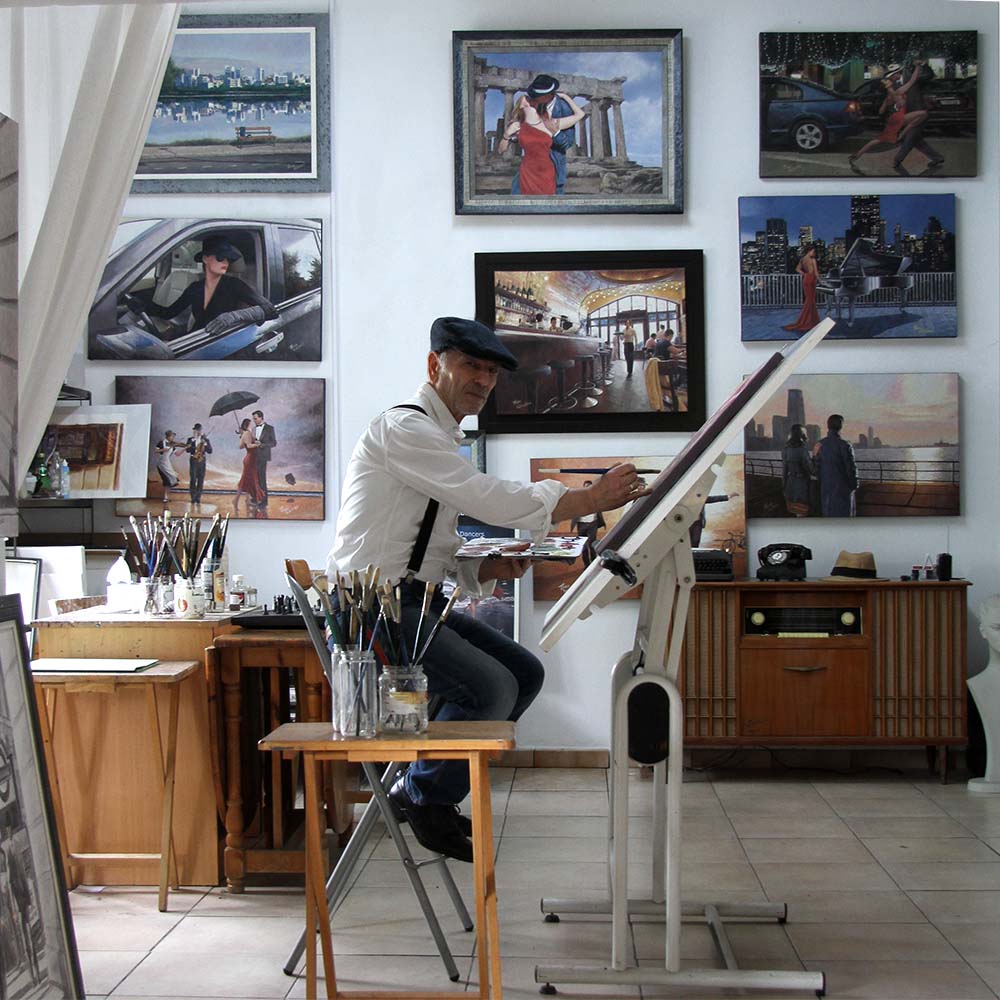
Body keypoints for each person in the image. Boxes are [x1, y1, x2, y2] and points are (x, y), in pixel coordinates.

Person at [328, 316, 646, 862]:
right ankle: (424, 795)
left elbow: (431, 546)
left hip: (412, 600)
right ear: (435, 367)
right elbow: (489, 499)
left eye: (491, 372)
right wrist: (587, 498)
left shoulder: (436, 440)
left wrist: (489, 567)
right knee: (492, 689)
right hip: (371, 607)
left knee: (525, 673)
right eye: (470, 365)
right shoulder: (404, 429)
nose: (481, 380)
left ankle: (418, 787)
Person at [133, 237, 279, 337]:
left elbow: (271, 310)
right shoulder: (195, 287)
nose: (226, 262)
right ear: (205, 258)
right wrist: (141, 305)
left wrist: (232, 316)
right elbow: (168, 313)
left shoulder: (235, 285)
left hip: (222, 342)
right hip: (196, 339)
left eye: (229, 258)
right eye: (220, 257)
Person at [503, 74, 581, 195]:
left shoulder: (563, 108)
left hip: (552, 166)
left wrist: (555, 132)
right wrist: (509, 135)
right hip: (528, 169)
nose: (533, 99)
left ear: (548, 95)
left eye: (537, 96)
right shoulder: (533, 107)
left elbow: (568, 143)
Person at [848, 64, 928, 170]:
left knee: (879, 139)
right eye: (897, 73)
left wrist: (918, 67)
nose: (899, 75)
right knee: (922, 114)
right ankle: (902, 134)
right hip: (898, 117)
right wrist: (917, 67)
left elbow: (882, 110)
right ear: (893, 76)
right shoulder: (896, 92)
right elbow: (910, 83)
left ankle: (857, 154)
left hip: (895, 118)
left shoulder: (895, 91)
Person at [889, 58, 945, 174]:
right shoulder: (896, 84)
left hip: (919, 112)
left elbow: (928, 75)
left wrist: (921, 65)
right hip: (909, 113)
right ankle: (937, 157)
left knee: (910, 136)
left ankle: (897, 160)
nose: (890, 78)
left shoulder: (912, 78)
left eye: (891, 75)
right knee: (916, 140)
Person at [813, 414, 859, 517]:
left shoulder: (819, 444)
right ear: (841, 426)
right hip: (843, 489)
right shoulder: (845, 445)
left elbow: (815, 467)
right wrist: (855, 485)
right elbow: (851, 468)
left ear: (828, 426)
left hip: (826, 488)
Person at [782, 246, 821, 333]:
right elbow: (816, 272)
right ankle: (808, 321)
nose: (813, 253)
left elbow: (797, 269)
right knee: (810, 300)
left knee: (809, 300)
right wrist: (821, 281)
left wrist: (804, 274)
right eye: (813, 251)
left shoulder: (802, 259)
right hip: (811, 279)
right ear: (809, 251)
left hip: (806, 279)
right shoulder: (813, 260)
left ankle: (809, 321)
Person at [570, 482, 606, 566]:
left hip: (593, 523)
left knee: (592, 544)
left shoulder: (597, 498)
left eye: (589, 487)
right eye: (586, 487)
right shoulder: (578, 498)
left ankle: (593, 563)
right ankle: (586, 565)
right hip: (582, 524)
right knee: (583, 545)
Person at [781, 423, 813, 517]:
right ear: (803, 435)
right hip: (802, 483)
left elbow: (784, 471)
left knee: (795, 509)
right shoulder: (803, 450)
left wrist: (784, 486)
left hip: (790, 482)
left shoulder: (785, 450)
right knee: (802, 510)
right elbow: (812, 470)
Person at [233, 417, 263, 513]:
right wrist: (256, 445)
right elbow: (249, 446)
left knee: (248, 480)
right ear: (247, 425)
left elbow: (241, 446)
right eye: (250, 424)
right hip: (250, 459)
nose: (252, 425)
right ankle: (235, 500)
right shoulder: (247, 433)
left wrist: (246, 438)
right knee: (246, 480)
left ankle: (247, 500)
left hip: (250, 459)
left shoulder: (246, 434)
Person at [252, 409, 277, 509]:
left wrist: (262, 445)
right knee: (255, 478)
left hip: (263, 457)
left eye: (255, 418)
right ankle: (256, 498)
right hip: (254, 456)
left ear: (261, 417)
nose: (254, 421)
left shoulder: (270, 428)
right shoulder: (254, 429)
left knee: (262, 479)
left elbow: (273, 443)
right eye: (253, 419)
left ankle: (264, 501)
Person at [185, 422, 212, 505]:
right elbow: (187, 450)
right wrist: (194, 447)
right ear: (194, 431)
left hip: (202, 461)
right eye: (196, 430)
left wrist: (205, 444)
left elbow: (210, 451)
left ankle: (198, 497)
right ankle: (193, 497)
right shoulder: (190, 440)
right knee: (193, 479)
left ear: (201, 430)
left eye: (199, 430)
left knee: (200, 479)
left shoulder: (206, 440)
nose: (198, 432)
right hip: (193, 460)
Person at [154, 429, 183, 505]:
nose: (173, 438)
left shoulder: (172, 445)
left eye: (173, 436)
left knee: (170, 480)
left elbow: (177, 454)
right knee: (167, 479)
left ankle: (166, 497)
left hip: (167, 463)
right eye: (172, 436)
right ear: (168, 436)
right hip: (161, 464)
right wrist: (164, 449)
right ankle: (165, 497)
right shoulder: (162, 442)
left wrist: (185, 448)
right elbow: (156, 451)